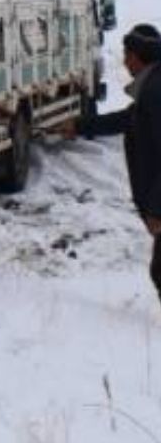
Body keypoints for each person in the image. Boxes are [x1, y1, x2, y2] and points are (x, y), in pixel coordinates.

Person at [64, 23, 161, 303]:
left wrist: (156, 207)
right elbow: (125, 119)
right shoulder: (152, 88)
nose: (124, 60)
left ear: (139, 55)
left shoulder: (156, 92)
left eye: (127, 53)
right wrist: (79, 126)